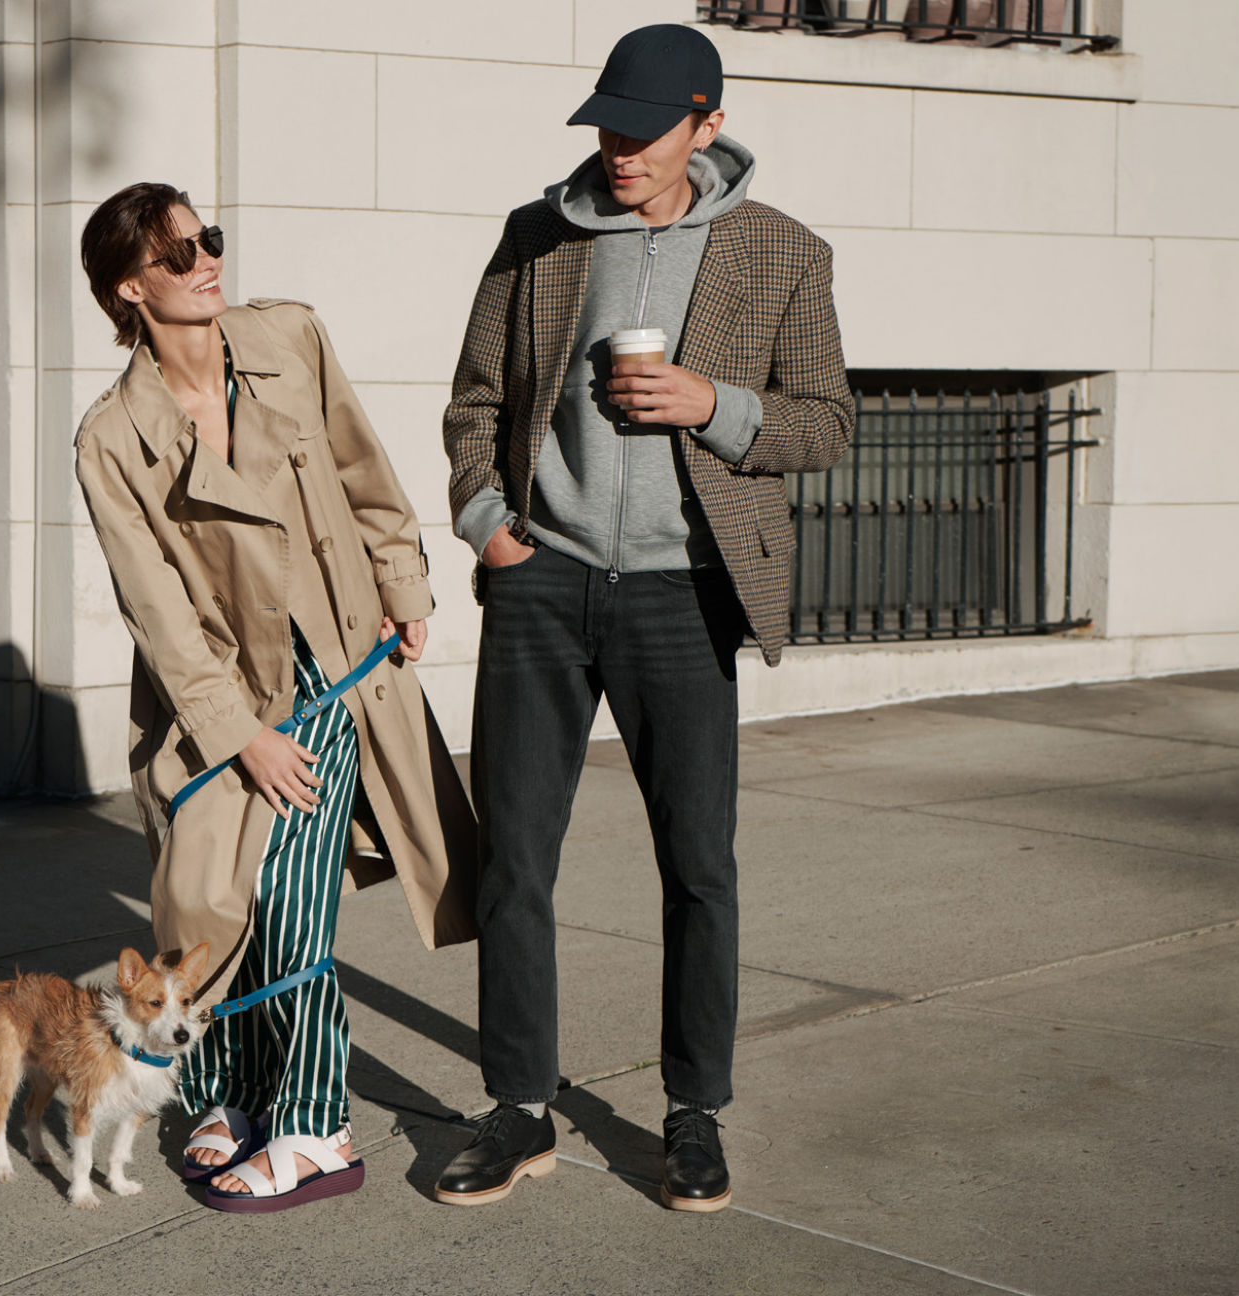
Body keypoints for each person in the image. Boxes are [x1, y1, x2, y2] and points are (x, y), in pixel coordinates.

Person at [434, 24, 854, 1214]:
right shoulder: (539, 237)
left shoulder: (781, 254)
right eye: (606, 124)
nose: (617, 149)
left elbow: (826, 424)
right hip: (543, 582)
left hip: (686, 590)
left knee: (699, 867)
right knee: (514, 862)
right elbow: (474, 403)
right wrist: (491, 531)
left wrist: (711, 404)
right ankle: (518, 1107)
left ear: (706, 123)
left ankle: (693, 1113)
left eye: (645, 126)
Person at [74, 183, 477, 1213]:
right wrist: (237, 732)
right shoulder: (113, 436)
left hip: (333, 671)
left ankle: (313, 1126)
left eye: (209, 238)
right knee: (204, 901)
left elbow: (364, 469)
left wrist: (405, 584)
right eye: (179, 254)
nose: (209, 259)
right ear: (131, 288)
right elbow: (154, 606)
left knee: (293, 911)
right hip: (217, 698)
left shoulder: (287, 337)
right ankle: (227, 1088)